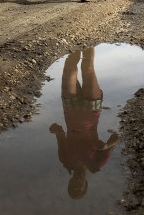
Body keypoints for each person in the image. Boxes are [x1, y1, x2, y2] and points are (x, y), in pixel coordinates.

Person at [49, 47, 120, 199]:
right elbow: (116, 138)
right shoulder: (96, 165)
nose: (76, 182)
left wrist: (54, 130)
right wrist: (106, 146)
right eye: (79, 186)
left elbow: (60, 134)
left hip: (70, 108)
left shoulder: (66, 160)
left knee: (69, 68)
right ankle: (89, 39)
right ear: (85, 184)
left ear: (70, 182)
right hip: (91, 108)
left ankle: (77, 39)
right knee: (87, 67)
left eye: (73, 185)